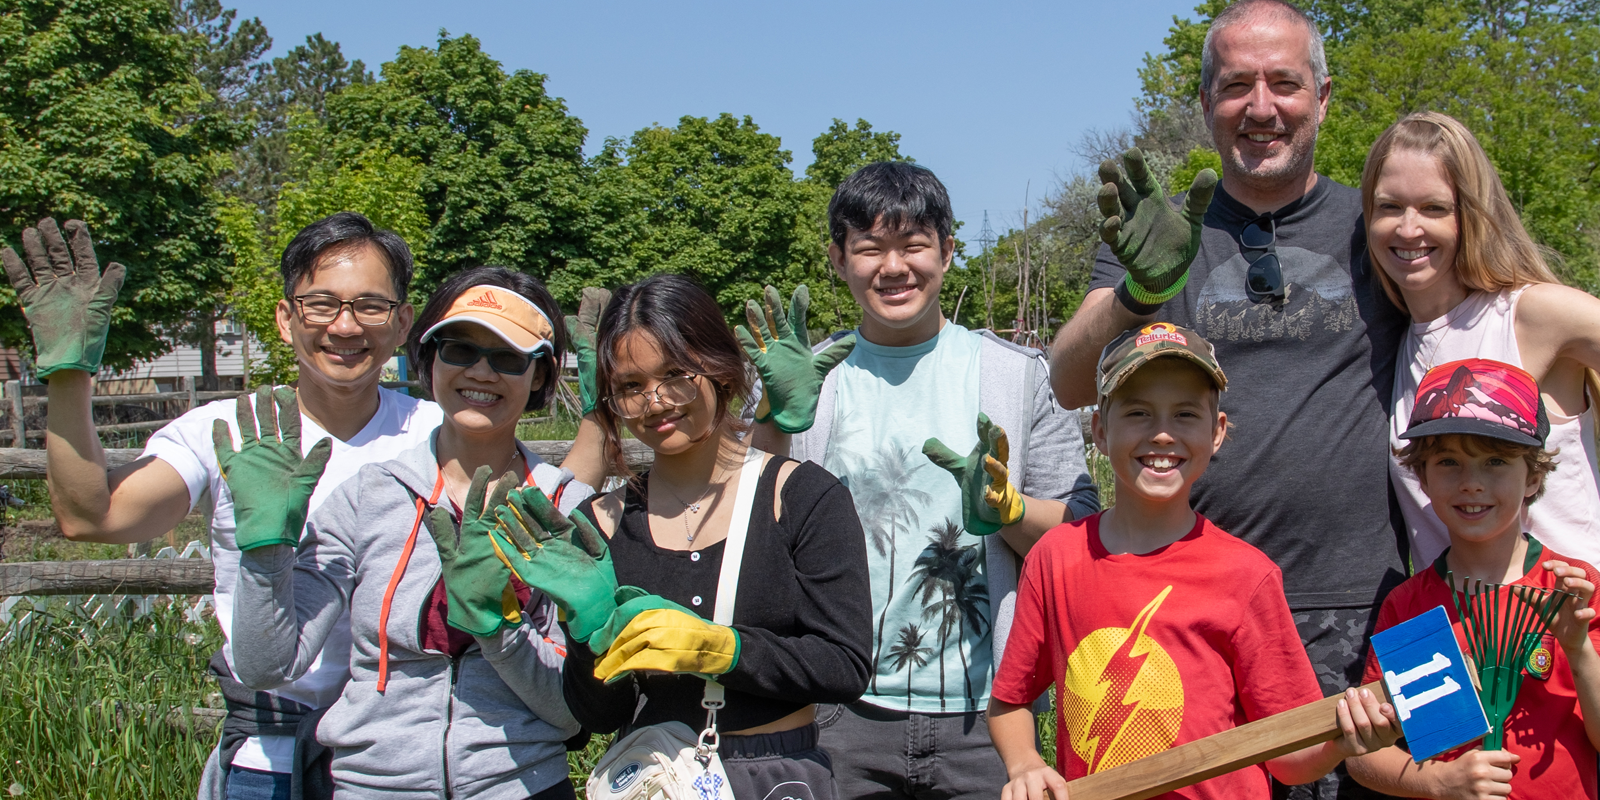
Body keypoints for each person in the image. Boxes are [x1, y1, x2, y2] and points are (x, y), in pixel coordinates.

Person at [1048, 3, 1409, 795]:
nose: (1262, 106)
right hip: (1196, 615)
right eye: (1237, 85)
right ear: (1207, 103)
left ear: (1323, 96)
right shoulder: (1160, 228)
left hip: (1367, 607)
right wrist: (1141, 292)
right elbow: (1070, 378)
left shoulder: (1377, 226)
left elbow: (1488, 315)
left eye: (1285, 83)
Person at [0, 212, 449, 799]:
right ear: (286, 320)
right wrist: (68, 374)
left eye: (370, 306)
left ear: (401, 324)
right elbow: (94, 515)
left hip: (403, 746)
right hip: (269, 748)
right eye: (321, 304)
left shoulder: (439, 435)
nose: (345, 326)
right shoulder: (226, 431)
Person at [743, 161, 1099, 799]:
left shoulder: (1018, 378)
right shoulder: (809, 380)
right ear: (837, 257)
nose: (894, 267)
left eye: (913, 245)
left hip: (991, 718)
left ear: (948, 250)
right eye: (869, 248)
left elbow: (1082, 539)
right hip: (835, 711)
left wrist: (1009, 513)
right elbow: (745, 530)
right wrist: (773, 420)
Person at [992, 322, 1402, 800]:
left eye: (1185, 414)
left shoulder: (1246, 575)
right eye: (1139, 412)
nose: (1162, 433)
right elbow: (1009, 703)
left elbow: (1289, 760)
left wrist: (1344, 739)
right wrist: (1024, 764)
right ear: (1100, 432)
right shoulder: (1055, 558)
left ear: (1218, 432)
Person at [500, 273, 870, 799]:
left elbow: (845, 664)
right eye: (630, 386)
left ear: (719, 368)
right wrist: (585, 633)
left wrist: (720, 649)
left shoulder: (802, 496)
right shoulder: (604, 520)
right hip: (650, 778)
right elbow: (600, 717)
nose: (655, 402)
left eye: (675, 374)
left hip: (774, 775)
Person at [228, 266, 591, 799]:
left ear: (539, 375)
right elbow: (267, 666)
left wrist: (498, 627)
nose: (482, 372)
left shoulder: (564, 509)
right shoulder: (368, 496)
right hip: (369, 786)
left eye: (508, 358)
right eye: (460, 349)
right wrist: (265, 553)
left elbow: (570, 710)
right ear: (430, 359)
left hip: (523, 785)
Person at [1348, 358, 1600, 800]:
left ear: (1533, 477)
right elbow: (1363, 753)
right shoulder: (1413, 606)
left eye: (1496, 461)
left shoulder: (1575, 591)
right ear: (1422, 476)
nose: (1472, 483)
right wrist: (1435, 782)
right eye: (1449, 462)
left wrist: (1578, 649)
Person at [1361, 111, 1600, 568]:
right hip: (1458, 634)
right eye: (1390, 206)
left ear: (1469, 214)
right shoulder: (1394, 341)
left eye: (1434, 208)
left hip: (1568, 628)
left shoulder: (1529, 314)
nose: (1409, 228)